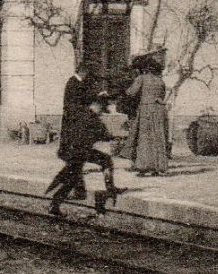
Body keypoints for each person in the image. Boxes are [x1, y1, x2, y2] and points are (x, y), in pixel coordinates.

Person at [45, 62, 120, 215]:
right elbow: (95, 125)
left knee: (75, 174)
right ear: (83, 72)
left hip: (75, 146)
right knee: (75, 174)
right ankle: (56, 203)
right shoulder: (74, 85)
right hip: (76, 147)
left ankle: (59, 202)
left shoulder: (84, 107)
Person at [124, 51, 171, 177]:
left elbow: (131, 93)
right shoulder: (160, 81)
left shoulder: (141, 78)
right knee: (158, 138)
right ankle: (158, 167)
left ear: (145, 69)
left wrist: (125, 89)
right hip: (160, 110)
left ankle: (143, 167)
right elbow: (162, 95)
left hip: (146, 110)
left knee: (144, 139)